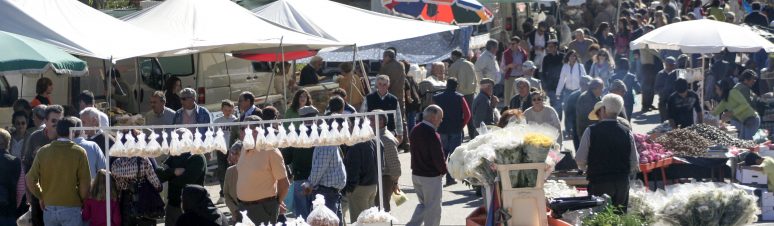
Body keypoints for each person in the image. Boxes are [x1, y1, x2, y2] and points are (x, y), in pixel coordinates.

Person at [575, 94, 639, 210]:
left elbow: (580, 159)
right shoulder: (627, 132)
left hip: (599, 182)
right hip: (622, 182)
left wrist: (584, 168)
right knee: (620, 218)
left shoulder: (591, 131)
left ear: (603, 109)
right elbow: (634, 161)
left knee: (601, 218)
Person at [27, 117, 91, 226]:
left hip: (49, 208)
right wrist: (82, 200)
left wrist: (41, 196)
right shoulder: (79, 152)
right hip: (72, 207)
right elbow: (85, 184)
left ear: (57, 130)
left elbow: (30, 179)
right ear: (73, 131)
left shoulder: (43, 151)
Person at [162, 88, 210, 225]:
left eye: (184, 98)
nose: (181, 101)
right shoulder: (178, 114)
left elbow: (208, 132)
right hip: (180, 151)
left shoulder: (203, 112)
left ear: (192, 99)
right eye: (180, 98)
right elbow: (173, 133)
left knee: (196, 179)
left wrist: (207, 151)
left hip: (196, 149)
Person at [236, 115, 290, 224]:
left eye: (243, 129)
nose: (240, 132)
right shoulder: (244, 148)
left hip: (264, 207)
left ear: (256, 131)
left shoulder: (270, 151)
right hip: (243, 206)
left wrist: (277, 203)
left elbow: (284, 183)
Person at [22, 105, 62, 226]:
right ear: (45, 121)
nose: (57, 124)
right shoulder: (35, 137)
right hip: (38, 190)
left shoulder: (64, 137)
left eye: (59, 121)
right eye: (53, 121)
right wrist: (28, 192)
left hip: (58, 192)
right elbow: (27, 165)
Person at [303, 113, 347, 224]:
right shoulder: (327, 143)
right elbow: (319, 168)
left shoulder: (331, 142)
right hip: (326, 193)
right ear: (337, 127)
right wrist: (310, 184)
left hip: (331, 192)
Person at [407, 105, 446, 226]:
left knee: (424, 206)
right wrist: (444, 170)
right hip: (430, 177)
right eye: (440, 118)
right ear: (433, 117)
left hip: (416, 175)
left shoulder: (415, 129)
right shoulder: (432, 134)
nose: (441, 121)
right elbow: (438, 157)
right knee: (433, 211)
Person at [432, 78, 471, 186]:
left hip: (441, 129)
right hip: (455, 129)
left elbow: (432, 113)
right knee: (453, 156)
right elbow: (468, 114)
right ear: (456, 86)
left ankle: (436, 176)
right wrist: (461, 125)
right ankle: (450, 178)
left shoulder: (437, 97)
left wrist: (435, 125)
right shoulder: (460, 97)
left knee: (442, 153)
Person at [281, 106, 319, 219]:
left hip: (300, 179)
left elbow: (286, 158)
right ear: (315, 118)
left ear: (301, 118)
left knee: (302, 216)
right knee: (319, 216)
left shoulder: (294, 135)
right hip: (319, 181)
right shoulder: (322, 133)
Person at [341, 121, 379, 222]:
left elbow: (354, 168)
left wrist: (349, 188)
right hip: (372, 185)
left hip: (360, 188)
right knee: (370, 221)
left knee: (359, 221)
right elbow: (381, 163)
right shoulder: (373, 141)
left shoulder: (355, 145)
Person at [111, 155, 161, 226]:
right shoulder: (144, 160)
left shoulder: (116, 163)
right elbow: (157, 184)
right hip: (144, 202)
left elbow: (119, 185)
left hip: (126, 203)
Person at [371, 111, 401, 212]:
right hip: (379, 178)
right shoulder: (377, 134)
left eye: (372, 119)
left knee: (382, 211)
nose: (369, 122)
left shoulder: (385, 139)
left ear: (381, 121)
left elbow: (395, 166)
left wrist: (395, 182)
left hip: (384, 180)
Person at [362, 75, 404, 141]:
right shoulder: (368, 98)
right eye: (380, 84)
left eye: (384, 84)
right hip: (372, 133)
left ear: (388, 85)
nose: (382, 86)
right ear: (376, 85)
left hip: (389, 133)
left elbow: (398, 118)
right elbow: (363, 115)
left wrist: (400, 133)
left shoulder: (394, 100)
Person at [213, 100, 237, 204]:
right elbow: (213, 135)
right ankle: (223, 194)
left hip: (232, 150)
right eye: (226, 110)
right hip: (221, 149)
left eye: (230, 110)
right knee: (222, 171)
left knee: (232, 171)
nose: (228, 112)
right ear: (222, 110)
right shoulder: (217, 121)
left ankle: (234, 193)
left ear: (233, 110)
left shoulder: (236, 121)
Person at [0, 128, 25, 225]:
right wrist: (15, 204)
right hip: (8, 212)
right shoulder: (16, 162)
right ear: (8, 143)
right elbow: (21, 189)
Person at [380, 49, 407, 127]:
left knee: (390, 118)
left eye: (384, 57)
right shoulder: (401, 64)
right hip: (400, 95)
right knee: (401, 118)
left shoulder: (387, 67)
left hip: (390, 95)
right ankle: (404, 137)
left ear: (388, 56)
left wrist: (382, 66)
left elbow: (382, 79)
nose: (383, 59)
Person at [556, 50, 588, 116]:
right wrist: (558, 92)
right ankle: (567, 125)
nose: (572, 57)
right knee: (566, 109)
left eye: (574, 56)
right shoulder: (565, 66)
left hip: (578, 91)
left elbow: (585, 79)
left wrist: (585, 91)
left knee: (577, 110)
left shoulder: (580, 66)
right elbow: (561, 80)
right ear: (568, 57)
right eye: (571, 56)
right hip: (568, 92)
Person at [565, 76, 593, 145]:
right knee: (578, 150)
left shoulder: (594, 96)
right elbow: (568, 114)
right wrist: (568, 129)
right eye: (585, 84)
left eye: (589, 85)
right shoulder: (573, 96)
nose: (587, 87)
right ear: (581, 84)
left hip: (590, 128)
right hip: (576, 128)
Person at [501, 36, 529, 103]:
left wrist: (521, 67)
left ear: (518, 44)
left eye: (513, 44)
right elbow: (502, 68)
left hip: (521, 78)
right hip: (510, 78)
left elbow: (527, 66)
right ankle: (508, 111)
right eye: (510, 44)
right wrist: (509, 66)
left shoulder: (523, 53)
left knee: (521, 96)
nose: (511, 45)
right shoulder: (506, 53)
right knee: (508, 98)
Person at [542, 39, 565, 116]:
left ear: (556, 47)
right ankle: (554, 122)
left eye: (551, 47)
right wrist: (544, 85)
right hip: (550, 85)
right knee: (553, 105)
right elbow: (543, 73)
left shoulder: (562, 56)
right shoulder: (546, 58)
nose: (549, 48)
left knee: (559, 105)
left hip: (560, 85)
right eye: (548, 47)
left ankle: (559, 121)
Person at [223, 141, 242, 224]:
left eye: (237, 153)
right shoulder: (229, 171)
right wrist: (234, 210)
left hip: (253, 211)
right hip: (236, 213)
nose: (234, 156)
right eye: (232, 153)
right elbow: (226, 194)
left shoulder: (252, 170)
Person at [655, 56, 678, 122]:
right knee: (664, 120)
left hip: (675, 100)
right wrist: (663, 91)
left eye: (673, 65)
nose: (672, 67)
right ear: (665, 65)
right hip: (664, 101)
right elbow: (656, 88)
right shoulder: (660, 74)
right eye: (670, 65)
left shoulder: (676, 73)